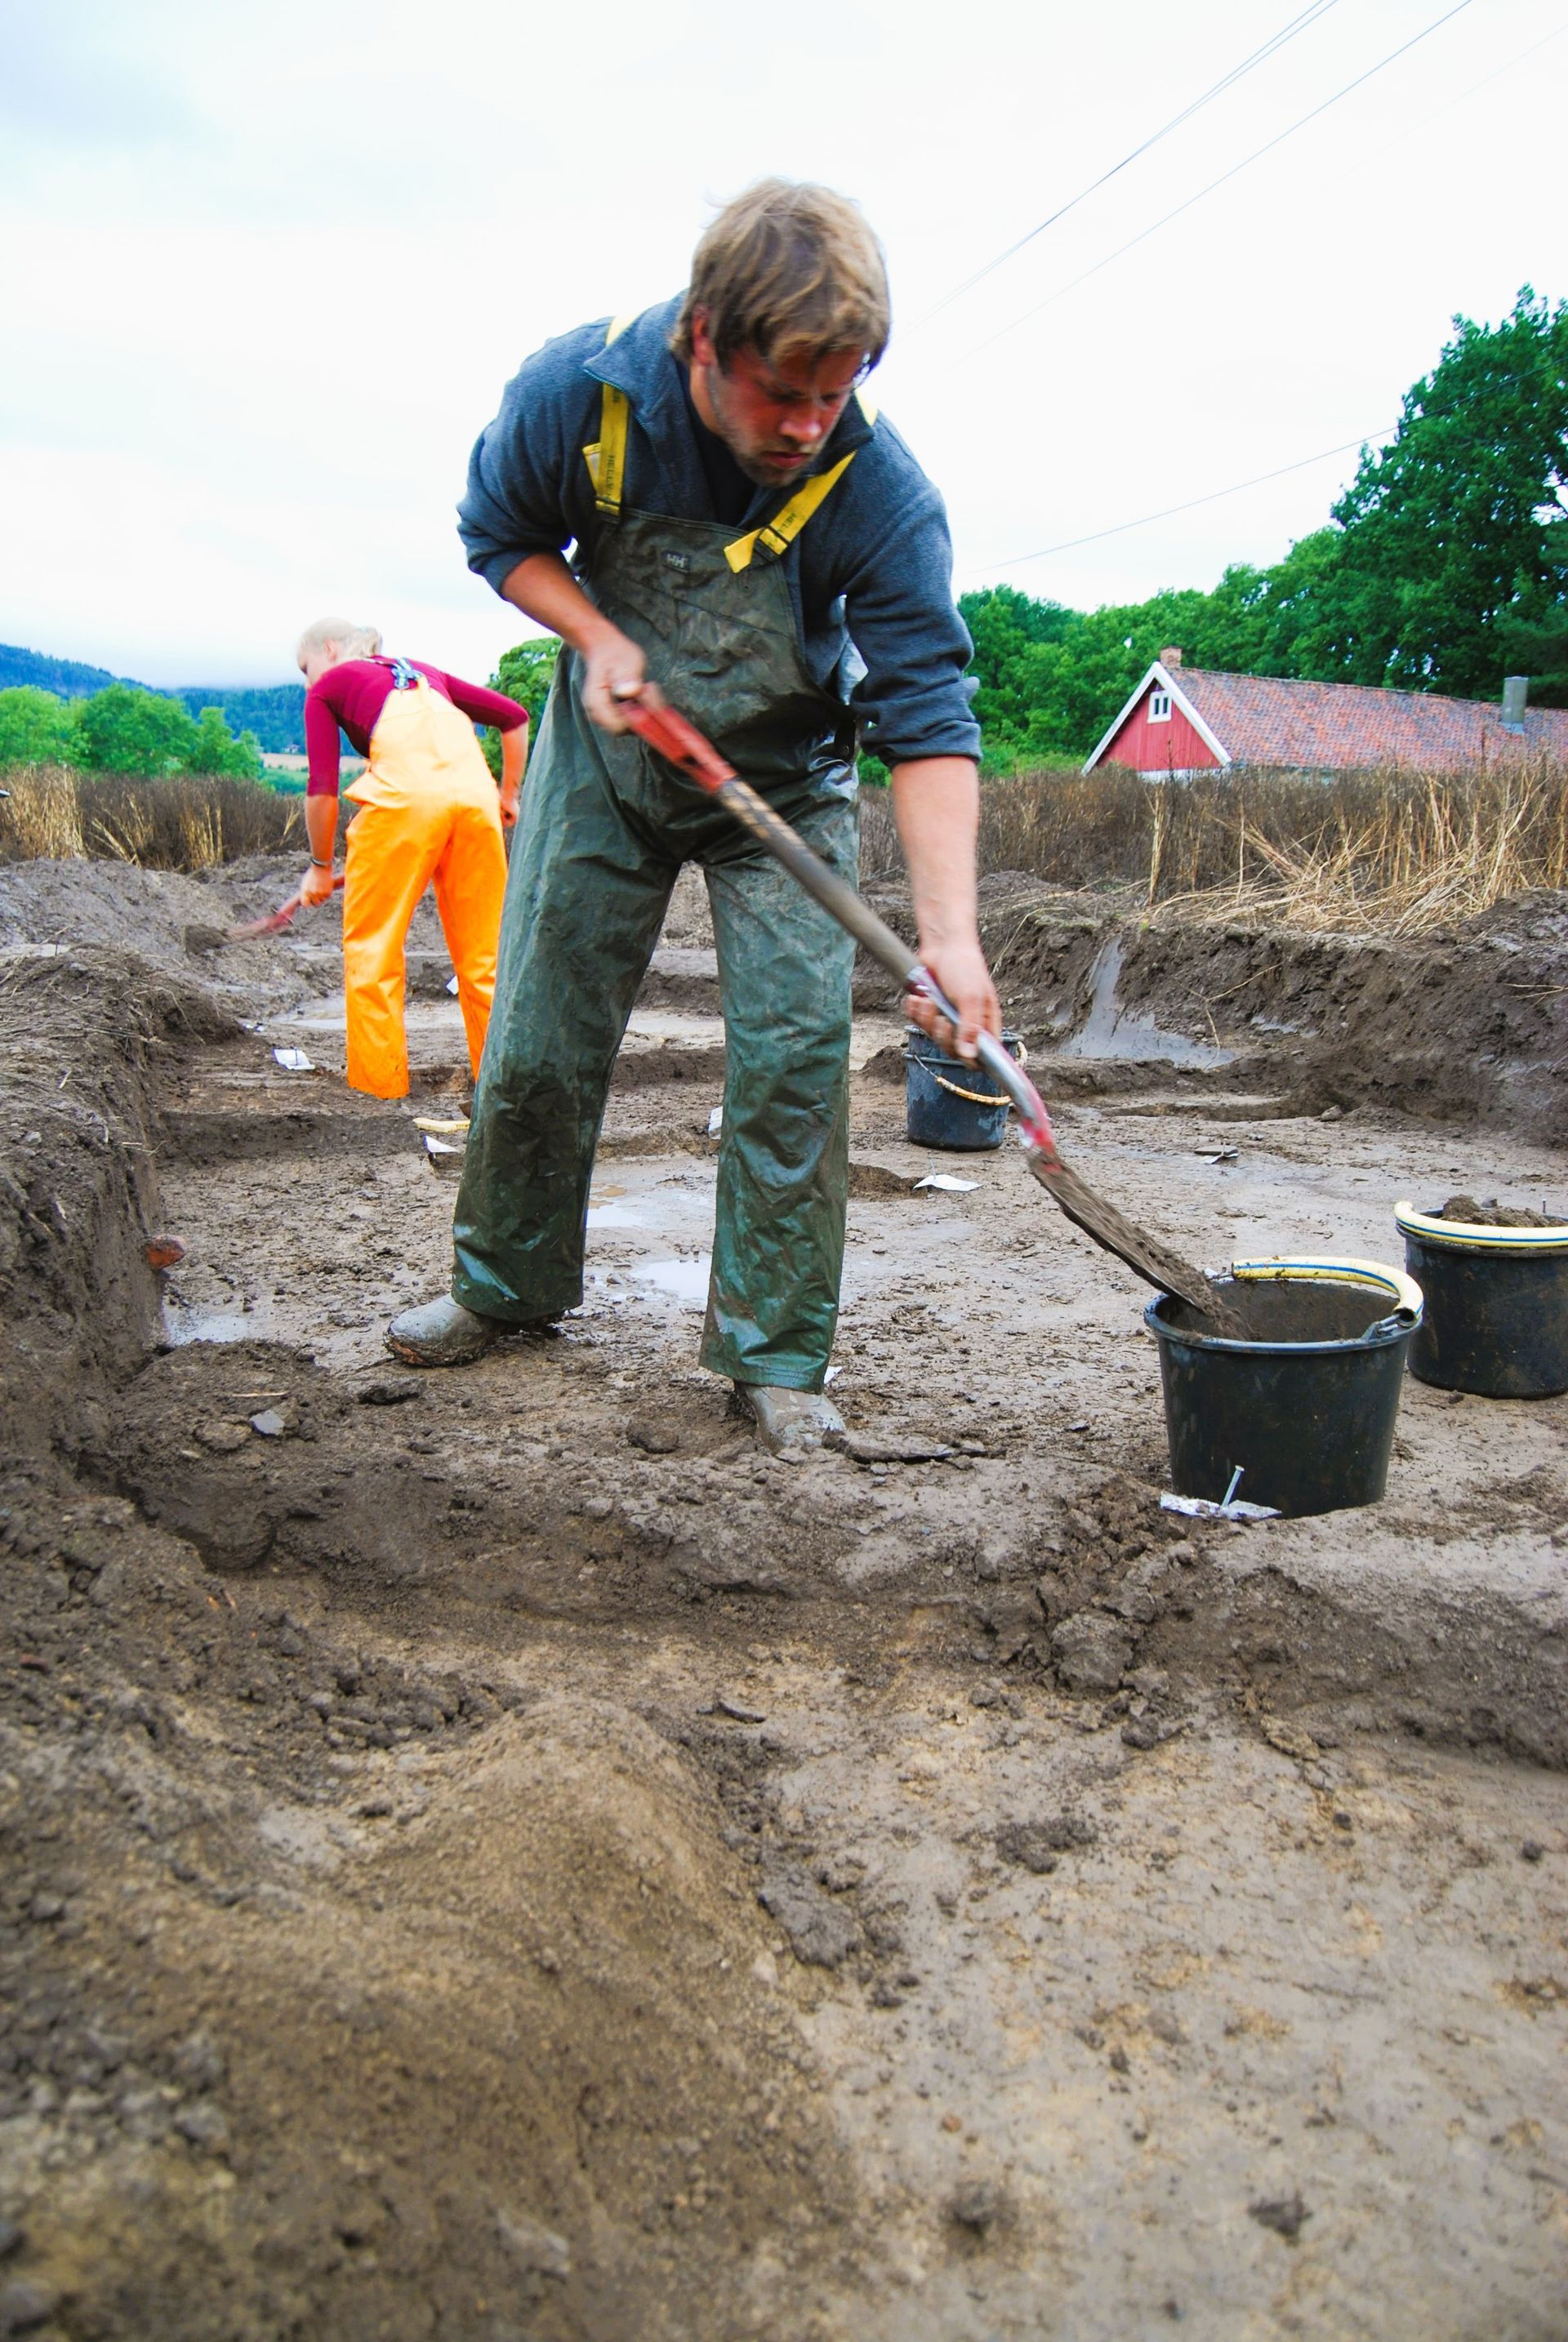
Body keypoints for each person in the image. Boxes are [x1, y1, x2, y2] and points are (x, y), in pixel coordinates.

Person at [386, 180, 1000, 1453]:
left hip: (779, 787)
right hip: (608, 766)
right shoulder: (580, 397)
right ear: (702, 341)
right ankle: (502, 1287)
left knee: (791, 1063)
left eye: (838, 393)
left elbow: (928, 715)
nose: (811, 425)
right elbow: (498, 536)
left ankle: (775, 1358)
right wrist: (596, 634)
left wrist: (953, 939)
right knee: (545, 1035)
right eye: (786, 392)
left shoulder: (880, 493)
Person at [296, 620, 529, 1099]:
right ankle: (500, 1093)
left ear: (330, 647)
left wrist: (320, 865)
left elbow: (322, 790)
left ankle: (378, 1092)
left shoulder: (330, 686)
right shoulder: (425, 673)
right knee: (486, 956)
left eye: (306, 667)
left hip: (403, 802)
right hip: (475, 799)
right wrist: (508, 795)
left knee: (373, 951)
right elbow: (514, 717)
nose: (308, 680)